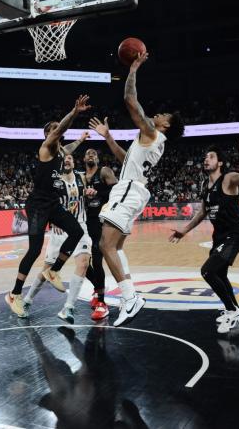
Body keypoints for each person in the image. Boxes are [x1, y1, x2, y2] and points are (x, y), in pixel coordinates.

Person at [93, 52, 183, 327]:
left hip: (129, 191)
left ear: (166, 124)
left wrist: (133, 68)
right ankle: (131, 296)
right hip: (134, 190)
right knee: (116, 247)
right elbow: (125, 160)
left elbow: (130, 101)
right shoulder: (151, 142)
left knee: (104, 245)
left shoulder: (153, 133)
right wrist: (108, 137)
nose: (158, 114)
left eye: (164, 114)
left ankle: (130, 298)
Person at [5, 95, 92, 318]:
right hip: (37, 206)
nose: (59, 132)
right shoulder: (46, 147)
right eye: (55, 129)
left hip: (52, 203)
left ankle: (53, 270)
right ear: (49, 134)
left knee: (77, 231)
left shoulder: (61, 152)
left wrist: (81, 140)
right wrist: (73, 113)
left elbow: (69, 147)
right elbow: (59, 132)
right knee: (34, 249)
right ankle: (14, 294)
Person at [169, 130, 239, 333]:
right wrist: (183, 231)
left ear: (220, 163)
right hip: (219, 237)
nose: (205, 159)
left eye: (210, 157)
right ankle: (236, 309)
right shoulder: (205, 185)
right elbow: (202, 212)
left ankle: (231, 310)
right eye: (205, 157)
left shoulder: (228, 179)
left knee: (208, 271)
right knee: (220, 274)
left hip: (234, 235)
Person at [22, 154, 96, 323]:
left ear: (74, 161)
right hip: (59, 229)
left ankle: (68, 308)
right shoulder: (53, 181)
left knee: (83, 264)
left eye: (70, 158)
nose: (68, 160)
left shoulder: (82, 177)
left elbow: (87, 191)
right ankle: (27, 300)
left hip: (80, 225)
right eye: (65, 159)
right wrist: (50, 219)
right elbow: (44, 202)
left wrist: (90, 193)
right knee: (46, 270)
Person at [81, 137, 119, 320]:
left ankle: (102, 302)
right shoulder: (80, 177)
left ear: (97, 159)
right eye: (87, 153)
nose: (90, 155)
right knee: (82, 262)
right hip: (82, 222)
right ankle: (98, 288)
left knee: (97, 260)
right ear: (83, 159)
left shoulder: (104, 171)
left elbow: (117, 190)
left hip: (99, 221)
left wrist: (98, 192)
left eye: (94, 153)